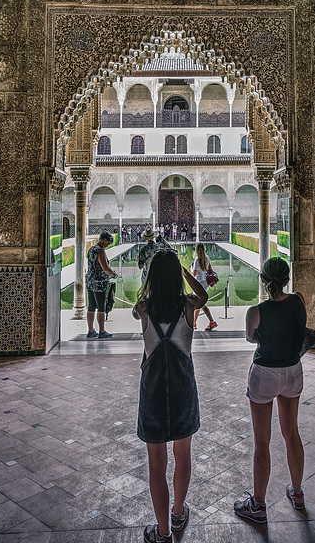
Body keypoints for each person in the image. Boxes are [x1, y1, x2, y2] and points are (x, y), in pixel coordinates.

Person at [133, 250, 208, 543]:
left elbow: (138, 307)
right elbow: (203, 295)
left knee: (156, 465)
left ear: (152, 277)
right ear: (177, 276)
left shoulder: (143, 308)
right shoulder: (188, 306)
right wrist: (184, 273)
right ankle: (178, 513)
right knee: (182, 455)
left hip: (152, 392)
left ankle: (162, 532)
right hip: (182, 390)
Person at [234, 257, 307, 524]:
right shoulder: (299, 299)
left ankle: (259, 505)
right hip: (292, 370)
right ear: (286, 278)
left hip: (265, 373)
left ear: (263, 280)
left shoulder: (256, 310)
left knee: (262, 442)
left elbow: (251, 338)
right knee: (292, 434)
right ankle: (297, 493)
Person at [85, 231, 118, 338]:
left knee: (91, 306)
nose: (107, 246)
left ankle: (90, 331)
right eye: (107, 244)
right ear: (104, 240)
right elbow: (105, 268)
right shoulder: (100, 251)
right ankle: (102, 331)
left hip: (90, 280)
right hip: (99, 282)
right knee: (101, 307)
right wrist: (113, 274)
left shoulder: (91, 250)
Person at [191, 243, 218, 331]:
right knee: (199, 304)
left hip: (199, 284)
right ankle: (194, 323)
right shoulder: (206, 258)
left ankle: (211, 321)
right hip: (205, 283)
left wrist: (191, 268)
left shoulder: (197, 260)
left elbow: (193, 275)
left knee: (200, 304)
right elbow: (210, 269)